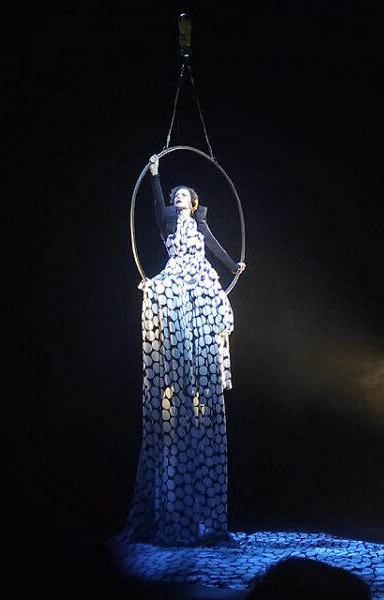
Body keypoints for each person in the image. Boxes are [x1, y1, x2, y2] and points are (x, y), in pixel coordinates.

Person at [119, 154, 245, 546]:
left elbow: (215, 247)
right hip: (177, 281)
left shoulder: (199, 224)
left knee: (211, 323)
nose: (180, 199)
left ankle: (199, 374)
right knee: (161, 295)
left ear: (194, 202)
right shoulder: (169, 222)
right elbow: (156, 204)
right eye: (177, 196)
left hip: (201, 284)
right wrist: (156, 175)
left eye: (185, 196)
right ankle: (179, 372)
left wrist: (234, 266)